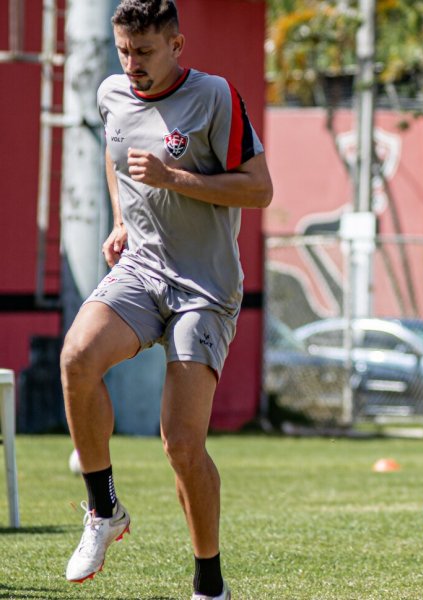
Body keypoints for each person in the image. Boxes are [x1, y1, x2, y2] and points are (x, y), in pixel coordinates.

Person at [61, 2, 271, 599]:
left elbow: (259, 189)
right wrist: (124, 217)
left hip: (203, 288)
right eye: (124, 51)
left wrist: (172, 178)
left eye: (145, 52)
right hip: (142, 269)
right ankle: (103, 511)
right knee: (77, 358)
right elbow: (115, 149)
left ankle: (209, 582)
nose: (133, 65)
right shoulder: (112, 93)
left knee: (181, 444)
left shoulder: (215, 97)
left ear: (177, 44)